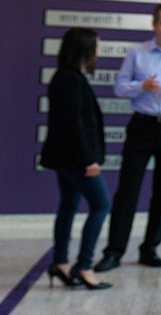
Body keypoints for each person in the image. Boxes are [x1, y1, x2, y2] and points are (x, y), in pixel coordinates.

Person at [95, 3, 161, 272]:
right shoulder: (137, 52)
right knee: (127, 191)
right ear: (154, 25)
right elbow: (119, 87)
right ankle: (114, 251)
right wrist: (140, 86)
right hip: (142, 126)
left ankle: (150, 249)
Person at [40, 27, 113, 290]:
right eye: (96, 48)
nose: (98, 53)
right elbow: (73, 125)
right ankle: (83, 266)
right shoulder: (70, 79)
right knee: (102, 204)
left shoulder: (65, 77)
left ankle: (60, 263)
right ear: (84, 49)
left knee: (69, 206)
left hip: (64, 159)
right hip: (75, 160)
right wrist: (87, 160)